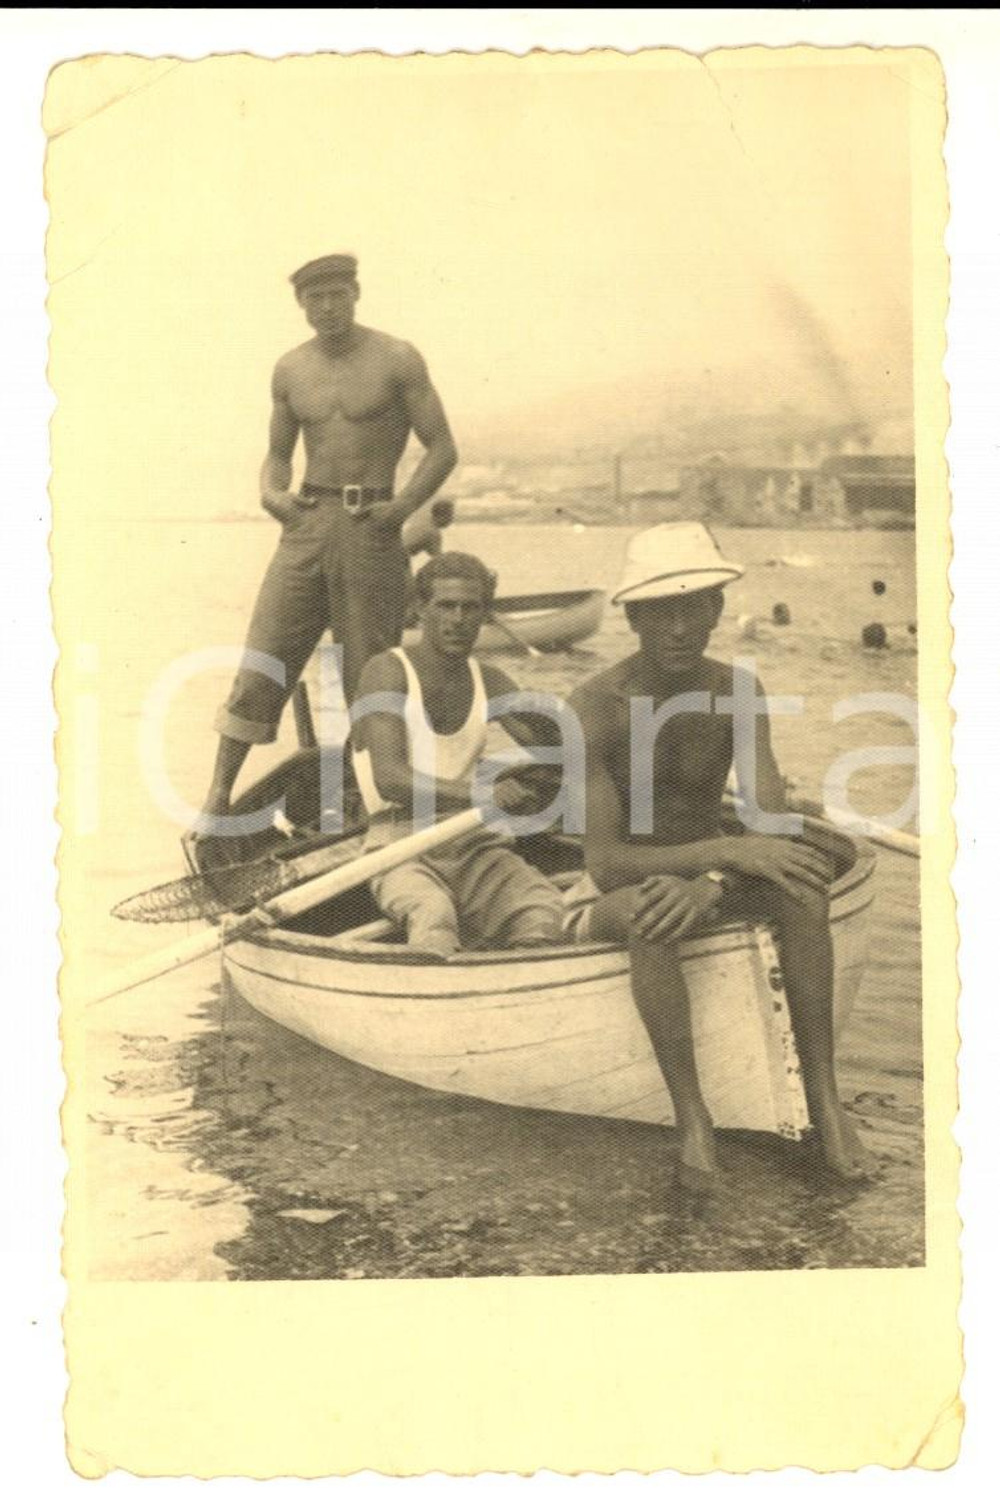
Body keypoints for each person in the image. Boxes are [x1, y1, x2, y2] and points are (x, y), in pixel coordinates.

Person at [565, 522, 878, 1191]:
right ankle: (694, 1122)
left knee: (805, 887)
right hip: (631, 885)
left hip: (717, 877)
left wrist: (712, 875)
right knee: (653, 915)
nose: (679, 628)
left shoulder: (737, 690)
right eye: (661, 611)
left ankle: (824, 1097)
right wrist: (725, 853)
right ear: (633, 616)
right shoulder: (592, 706)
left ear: (715, 610)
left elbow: (767, 829)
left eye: (694, 607)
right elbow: (604, 864)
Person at [194, 252, 458, 831]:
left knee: (370, 671)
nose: (328, 307)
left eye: (338, 294)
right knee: (264, 655)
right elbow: (277, 454)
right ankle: (217, 797)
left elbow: (442, 448)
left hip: (372, 527)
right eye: (316, 298)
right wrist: (270, 491)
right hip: (307, 523)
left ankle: (373, 806)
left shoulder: (396, 358)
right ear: (302, 306)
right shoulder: (290, 369)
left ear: (356, 293)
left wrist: (402, 509)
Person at [351, 552, 565, 958]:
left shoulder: (491, 680)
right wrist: (485, 794)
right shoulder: (386, 670)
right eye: (445, 606)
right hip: (398, 844)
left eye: (471, 607)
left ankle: (519, 979)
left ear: (485, 615)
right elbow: (391, 779)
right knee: (434, 915)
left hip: (472, 842)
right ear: (419, 609)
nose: (458, 619)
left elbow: (557, 747)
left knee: (546, 909)